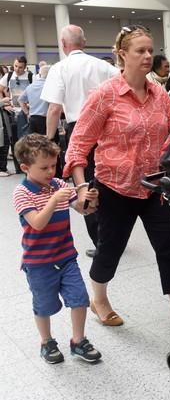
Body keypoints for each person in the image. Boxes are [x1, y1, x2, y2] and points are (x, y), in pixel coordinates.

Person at [63, 24, 170, 328]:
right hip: (115, 187)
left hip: (155, 186)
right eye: (140, 51)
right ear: (122, 55)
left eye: (150, 50)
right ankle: (100, 299)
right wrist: (81, 188)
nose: (148, 56)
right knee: (110, 249)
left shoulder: (159, 94)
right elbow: (78, 146)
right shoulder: (105, 95)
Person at [12, 134, 101, 364]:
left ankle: (78, 341)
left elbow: (82, 209)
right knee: (44, 306)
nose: (51, 172)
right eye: (44, 168)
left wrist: (88, 200)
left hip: (66, 257)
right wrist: (53, 200)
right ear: (25, 167)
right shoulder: (22, 193)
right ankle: (46, 342)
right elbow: (37, 223)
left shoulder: (59, 185)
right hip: (39, 263)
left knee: (80, 299)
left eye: (54, 165)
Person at [41, 24, 119, 256]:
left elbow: (55, 108)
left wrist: (48, 139)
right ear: (83, 43)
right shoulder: (103, 66)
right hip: (108, 130)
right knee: (109, 183)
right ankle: (116, 236)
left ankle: (101, 243)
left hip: (79, 130)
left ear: (64, 45)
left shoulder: (60, 68)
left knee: (85, 184)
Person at [19, 64, 52, 136]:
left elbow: (21, 100)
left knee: (34, 144)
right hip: (46, 119)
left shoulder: (30, 86)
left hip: (33, 119)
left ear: (39, 74)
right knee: (48, 144)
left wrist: (27, 113)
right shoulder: (50, 86)